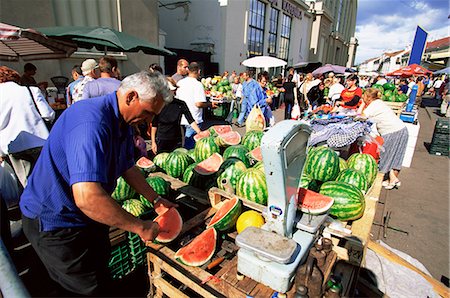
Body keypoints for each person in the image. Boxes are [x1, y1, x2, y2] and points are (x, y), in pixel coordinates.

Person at [19, 71, 176, 296]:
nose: (150, 121)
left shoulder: (122, 122)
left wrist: (156, 199)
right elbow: (88, 197)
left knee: (100, 273)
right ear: (131, 97)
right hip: (56, 221)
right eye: (148, 113)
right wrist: (140, 227)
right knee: (85, 289)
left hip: (86, 219)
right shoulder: (90, 122)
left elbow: (127, 166)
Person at [0, 66, 55, 188]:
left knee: (28, 183)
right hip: (40, 140)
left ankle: (35, 205)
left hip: (14, 145)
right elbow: (48, 114)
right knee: (49, 178)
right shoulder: (31, 90)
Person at [357, 88, 408, 190]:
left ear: (367, 97)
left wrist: (362, 104)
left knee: (385, 156)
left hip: (392, 132)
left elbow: (360, 116)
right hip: (402, 130)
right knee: (396, 156)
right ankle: (392, 180)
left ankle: (378, 183)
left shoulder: (374, 104)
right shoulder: (379, 103)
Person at [151, 78, 201, 154]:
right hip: (161, 140)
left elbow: (190, 120)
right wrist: (153, 142)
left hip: (176, 140)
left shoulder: (181, 104)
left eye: (174, 90)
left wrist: (200, 132)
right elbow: (154, 125)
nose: (173, 92)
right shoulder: (159, 104)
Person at [177, 62, 217, 149]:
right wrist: (210, 104)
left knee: (183, 145)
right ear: (199, 71)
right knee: (190, 148)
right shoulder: (198, 84)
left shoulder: (180, 83)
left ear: (188, 70)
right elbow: (199, 104)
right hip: (194, 120)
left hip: (181, 119)